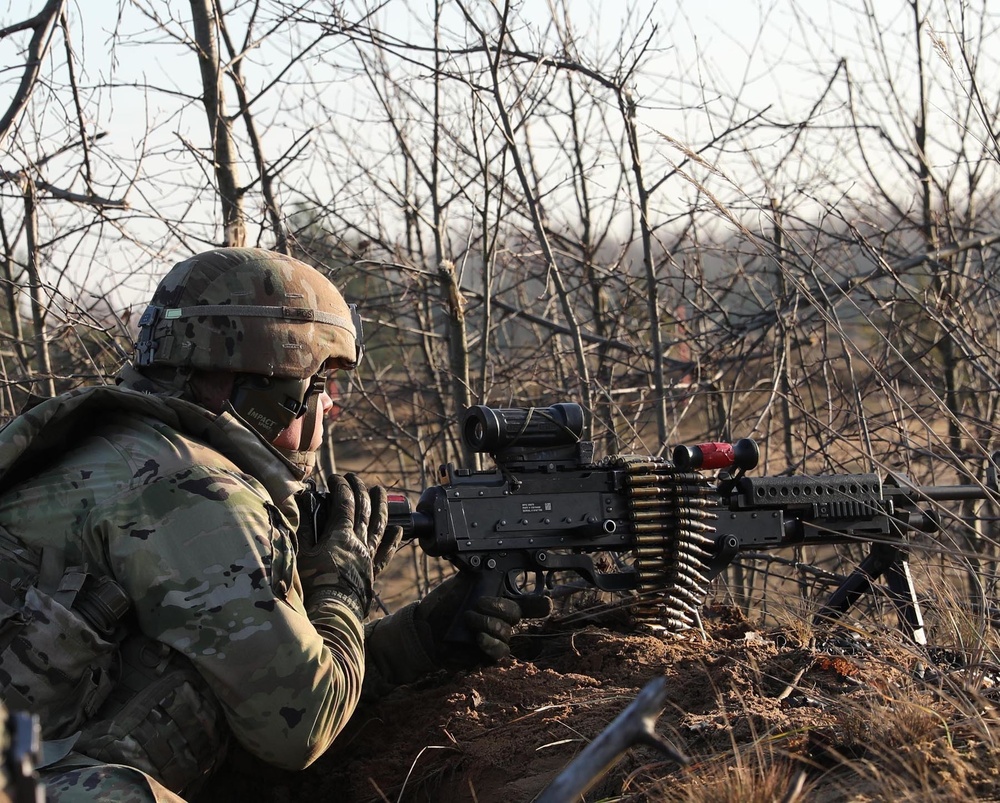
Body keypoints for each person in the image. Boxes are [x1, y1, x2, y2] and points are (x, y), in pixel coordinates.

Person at [0, 248, 548, 802]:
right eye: (322, 381)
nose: (332, 407)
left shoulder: (136, 448)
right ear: (269, 388)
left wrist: (419, 639)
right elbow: (300, 730)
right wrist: (342, 584)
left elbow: (259, 683)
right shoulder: (187, 489)